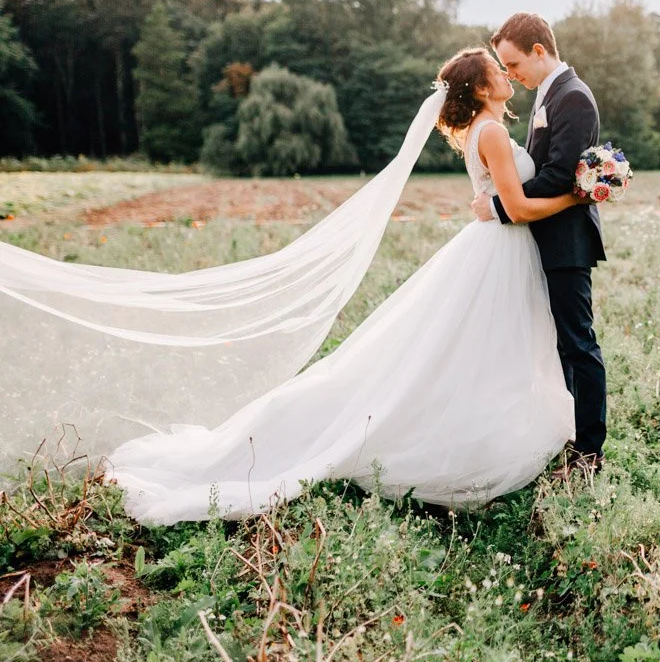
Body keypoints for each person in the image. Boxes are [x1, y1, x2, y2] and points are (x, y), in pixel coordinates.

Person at [105, 48, 580, 524]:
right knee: (474, 352)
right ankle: (457, 444)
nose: (505, 73)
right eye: (497, 70)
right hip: (498, 250)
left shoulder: (486, 128)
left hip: (497, 250)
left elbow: (498, 198)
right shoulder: (492, 132)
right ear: (480, 88)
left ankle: (480, 432)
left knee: (469, 352)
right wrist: (577, 194)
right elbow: (515, 208)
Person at [471, 12, 608, 476]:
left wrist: (503, 202)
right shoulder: (547, 95)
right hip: (544, 239)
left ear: (538, 50)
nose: (510, 75)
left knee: (578, 345)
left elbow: (558, 175)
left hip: (567, 242)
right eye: (502, 69)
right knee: (557, 348)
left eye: (512, 64)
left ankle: (589, 452)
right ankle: (564, 436)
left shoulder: (573, 97)